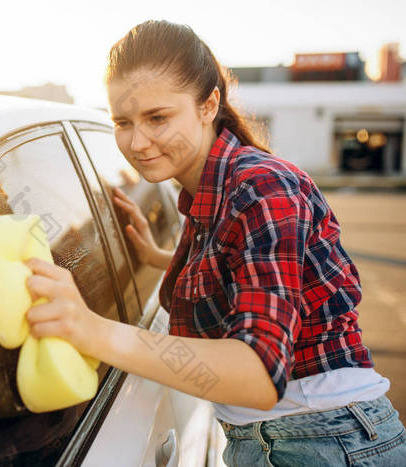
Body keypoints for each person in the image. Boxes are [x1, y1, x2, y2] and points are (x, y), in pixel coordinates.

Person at [22, 20, 406, 466]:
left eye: (158, 118)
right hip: (287, 438)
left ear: (209, 105)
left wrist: (92, 329)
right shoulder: (211, 189)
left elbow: (258, 375)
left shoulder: (262, 187)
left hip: (328, 442)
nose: (137, 142)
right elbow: (251, 270)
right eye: (122, 122)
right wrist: (160, 257)